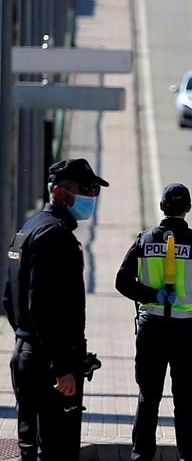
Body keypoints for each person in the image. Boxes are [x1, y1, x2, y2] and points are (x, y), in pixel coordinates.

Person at [4, 158, 109, 460]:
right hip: (49, 365)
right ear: (60, 192)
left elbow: (10, 300)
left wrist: (27, 340)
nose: (91, 195)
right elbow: (43, 305)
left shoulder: (28, 228)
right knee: (56, 450)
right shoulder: (56, 237)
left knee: (30, 446)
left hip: (26, 355)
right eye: (86, 188)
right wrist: (61, 366)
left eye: (94, 190)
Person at [115, 183, 192, 461]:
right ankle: (189, 457)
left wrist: (151, 294)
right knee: (185, 401)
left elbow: (122, 282)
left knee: (148, 398)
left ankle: (141, 456)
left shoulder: (145, 239)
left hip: (151, 330)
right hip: (186, 332)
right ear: (188, 208)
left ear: (162, 207)